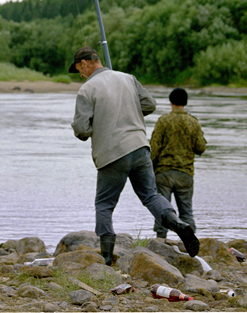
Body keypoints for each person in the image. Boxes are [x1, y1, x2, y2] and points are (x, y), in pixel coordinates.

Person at [69, 46, 200, 264]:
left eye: (78, 70)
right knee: (151, 196)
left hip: (112, 154)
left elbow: (82, 130)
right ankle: (178, 224)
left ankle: (107, 256)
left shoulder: (86, 89)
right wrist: (129, 112)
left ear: (85, 63)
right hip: (140, 148)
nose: (80, 75)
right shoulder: (128, 78)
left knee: (104, 204)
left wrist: (96, 124)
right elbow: (150, 104)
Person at [150, 88, 207, 239]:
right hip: (185, 174)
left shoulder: (163, 121)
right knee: (186, 212)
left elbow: (154, 149)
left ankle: (160, 242)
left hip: (163, 174)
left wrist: (149, 168)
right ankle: (190, 245)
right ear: (185, 103)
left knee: (162, 210)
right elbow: (201, 148)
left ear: (171, 102)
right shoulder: (193, 122)